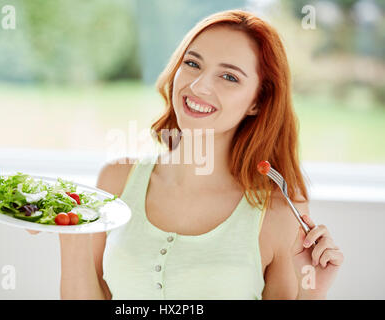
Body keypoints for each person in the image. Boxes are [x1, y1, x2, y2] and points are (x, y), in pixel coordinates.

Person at [29, 9, 344, 300]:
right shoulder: (116, 179)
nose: (199, 85)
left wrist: (311, 290)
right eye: (193, 63)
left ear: (257, 102)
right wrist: (70, 233)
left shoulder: (277, 208)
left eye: (229, 76)